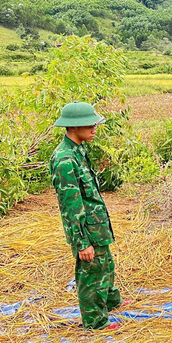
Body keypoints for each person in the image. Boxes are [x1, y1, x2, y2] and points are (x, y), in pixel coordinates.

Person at [49, 102, 123, 331]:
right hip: (86, 229)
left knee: (105, 263)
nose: (94, 127)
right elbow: (71, 206)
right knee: (91, 273)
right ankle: (95, 322)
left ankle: (111, 301)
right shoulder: (64, 160)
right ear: (72, 127)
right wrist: (82, 243)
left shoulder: (78, 149)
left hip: (96, 223)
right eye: (89, 124)